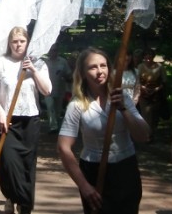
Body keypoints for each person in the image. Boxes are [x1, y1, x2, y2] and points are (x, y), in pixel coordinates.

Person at [57, 48, 150, 214]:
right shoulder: (77, 105)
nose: (100, 71)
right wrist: (84, 186)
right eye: (93, 67)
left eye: (103, 65)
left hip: (125, 169)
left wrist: (123, 109)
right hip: (94, 170)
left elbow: (143, 135)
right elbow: (63, 147)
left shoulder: (122, 98)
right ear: (83, 73)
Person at [0, 27, 52, 214]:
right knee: (9, 163)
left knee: (27, 165)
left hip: (30, 121)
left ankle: (24, 204)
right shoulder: (0, 63)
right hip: (8, 121)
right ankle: (11, 196)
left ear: (28, 42)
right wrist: (0, 113)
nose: (18, 44)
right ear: (9, 43)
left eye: (22, 41)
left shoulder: (38, 64)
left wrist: (33, 71)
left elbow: (47, 91)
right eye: (15, 41)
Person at [136, 48, 167, 141]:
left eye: (150, 54)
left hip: (156, 94)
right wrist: (143, 88)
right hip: (144, 94)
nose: (148, 57)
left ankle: (152, 132)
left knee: (154, 116)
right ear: (144, 57)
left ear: (153, 56)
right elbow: (137, 80)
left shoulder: (160, 67)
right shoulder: (140, 66)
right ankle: (147, 135)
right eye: (146, 55)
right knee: (146, 115)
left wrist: (157, 89)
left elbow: (164, 81)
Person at [44, 45, 72, 134]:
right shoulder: (45, 62)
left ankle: (57, 125)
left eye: (55, 50)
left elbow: (68, 74)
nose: (53, 52)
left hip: (60, 88)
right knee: (50, 106)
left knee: (58, 108)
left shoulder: (62, 62)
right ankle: (53, 127)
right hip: (47, 89)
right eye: (51, 50)